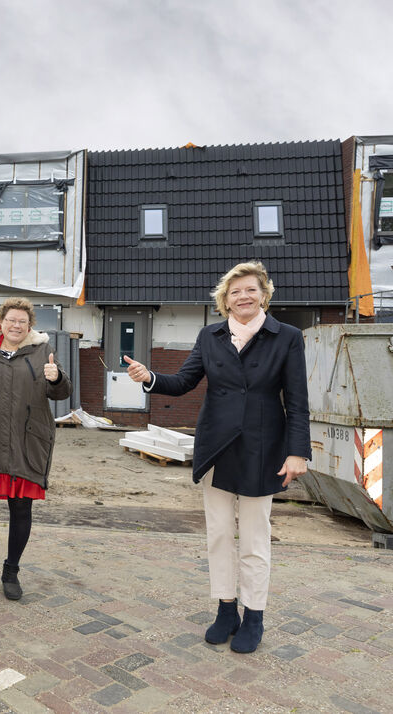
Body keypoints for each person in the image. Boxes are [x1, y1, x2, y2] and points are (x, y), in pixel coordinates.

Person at [124, 261, 310, 653]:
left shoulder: (287, 337)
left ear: (264, 294)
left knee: (255, 539)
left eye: (250, 290)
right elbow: (184, 381)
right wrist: (150, 377)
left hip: (263, 449)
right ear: (225, 300)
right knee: (220, 535)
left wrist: (297, 452)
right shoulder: (211, 335)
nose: (243, 296)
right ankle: (227, 609)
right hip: (217, 448)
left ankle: (254, 615)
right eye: (235, 291)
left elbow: (297, 400)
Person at [0, 297, 71, 602]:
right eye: (11, 320)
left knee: (21, 508)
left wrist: (57, 378)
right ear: (1, 322)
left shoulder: (43, 353)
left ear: (30, 325)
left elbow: (61, 391)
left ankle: (11, 572)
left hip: (27, 442)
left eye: (22, 321)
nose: (16, 326)